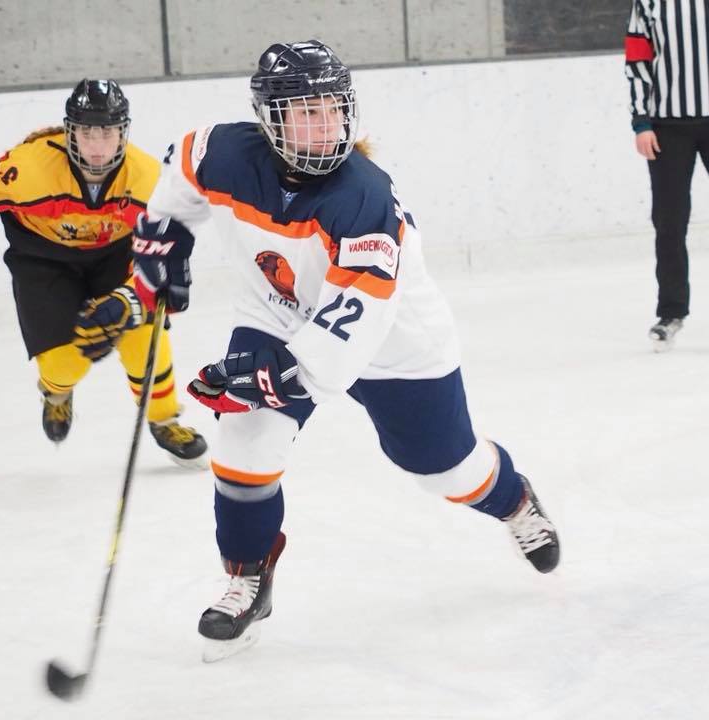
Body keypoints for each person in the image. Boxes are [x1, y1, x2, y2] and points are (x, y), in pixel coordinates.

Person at [132, 40, 560, 660]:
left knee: (443, 469)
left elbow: (353, 324)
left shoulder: (363, 197)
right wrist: (163, 237)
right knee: (245, 443)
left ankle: (515, 499)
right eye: (305, 111)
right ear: (269, 118)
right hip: (275, 314)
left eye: (332, 108)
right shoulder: (222, 151)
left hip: (393, 342)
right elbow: (180, 172)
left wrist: (279, 375)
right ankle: (248, 577)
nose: (324, 124)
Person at [0, 79, 208, 467]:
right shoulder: (31, 170)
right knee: (64, 364)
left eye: (107, 132)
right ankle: (56, 394)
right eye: (86, 132)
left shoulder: (146, 179)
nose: (97, 145)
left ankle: (164, 420)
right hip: (43, 258)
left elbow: (166, 257)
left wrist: (134, 300)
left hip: (115, 254)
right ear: (69, 131)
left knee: (143, 336)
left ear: (123, 132)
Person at [625, 0, 709, 351]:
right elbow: (637, 59)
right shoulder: (649, 2)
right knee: (670, 221)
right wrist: (641, 121)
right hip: (668, 127)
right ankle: (671, 313)